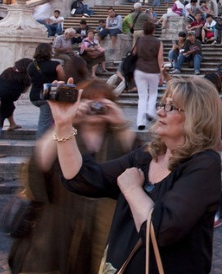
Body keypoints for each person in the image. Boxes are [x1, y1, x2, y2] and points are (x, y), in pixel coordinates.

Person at [50, 76, 222, 274]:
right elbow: (82, 178)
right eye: (161, 104)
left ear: (196, 116)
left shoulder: (204, 164)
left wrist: (132, 188)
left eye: (171, 107)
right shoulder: (147, 156)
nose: (159, 111)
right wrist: (63, 125)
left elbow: (162, 231)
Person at [9, 79, 135, 274]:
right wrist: (64, 122)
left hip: (101, 232)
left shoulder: (118, 138)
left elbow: (136, 161)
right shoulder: (66, 134)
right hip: (57, 230)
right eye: (89, 101)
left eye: (102, 102)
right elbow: (38, 164)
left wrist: (120, 122)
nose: (95, 107)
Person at [27, 43, 66, 138]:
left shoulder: (31, 65)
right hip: (48, 96)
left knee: (46, 119)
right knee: (44, 123)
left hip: (34, 96)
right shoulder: (56, 65)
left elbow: (31, 79)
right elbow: (62, 79)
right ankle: (40, 147)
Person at [134, 20, 164, 130]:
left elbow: (134, 54)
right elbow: (160, 59)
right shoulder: (158, 42)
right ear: (153, 30)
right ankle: (150, 112)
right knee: (153, 93)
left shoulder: (139, 40)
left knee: (142, 96)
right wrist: (162, 74)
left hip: (140, 69)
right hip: (153, 70)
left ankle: (140, 122)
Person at [0, 58, 31, 131]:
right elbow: (24, 91)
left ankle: (12, 124)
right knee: (4, 113)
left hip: (4, 97)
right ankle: (12, 124)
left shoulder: (8, 70)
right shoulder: (26, 78)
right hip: (7, 98)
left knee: (10, 107)